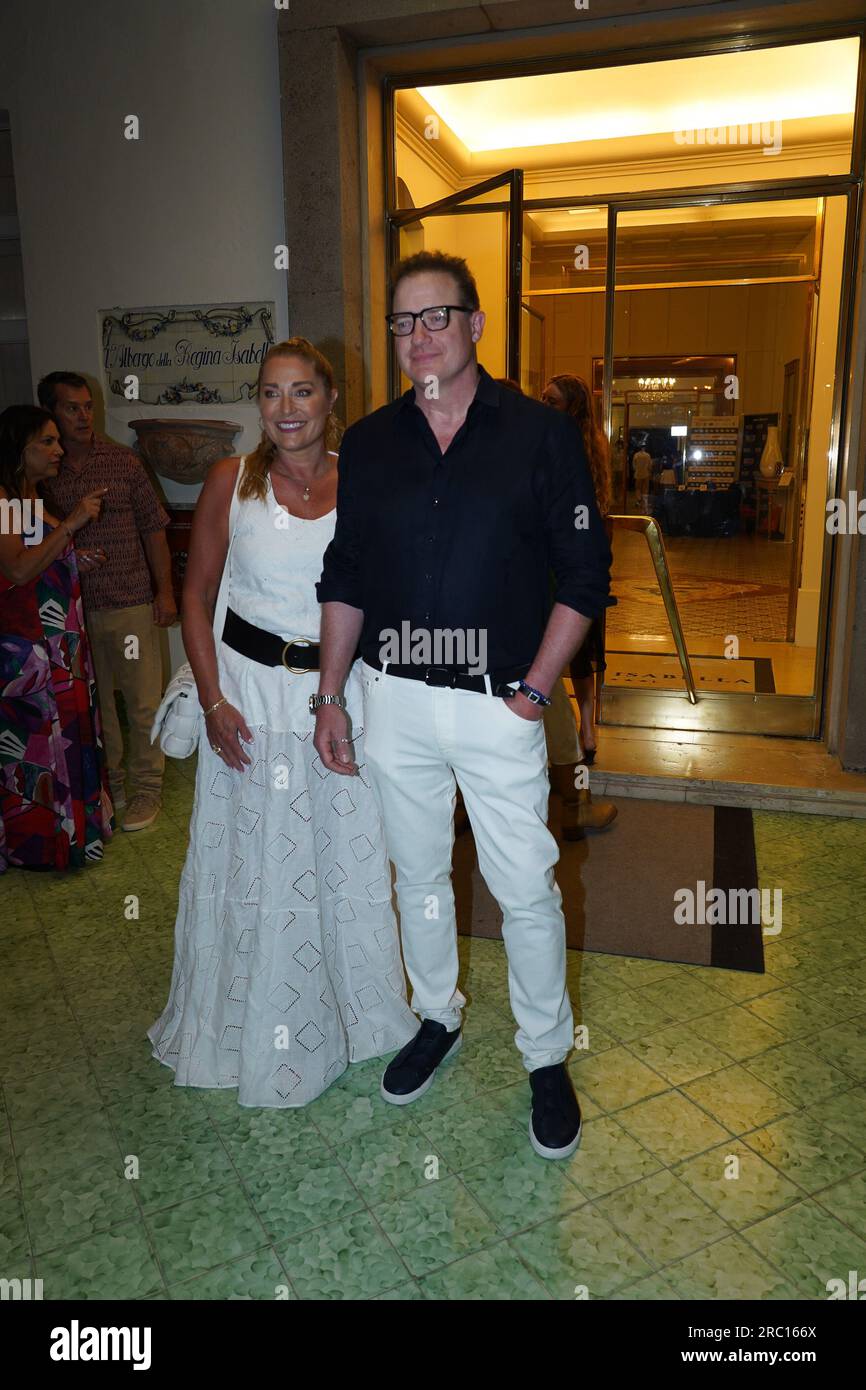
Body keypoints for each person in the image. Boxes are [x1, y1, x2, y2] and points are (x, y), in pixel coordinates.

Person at [315, 251, 613, 1159]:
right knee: (417, 878)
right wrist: (330, 695)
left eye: (435, 318)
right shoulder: (368, 444)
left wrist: (533, 690)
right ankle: (436, 1017)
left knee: (523, 885)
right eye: (402, 323)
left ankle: (545, 1057)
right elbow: (348, 573)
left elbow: (585, 574)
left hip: (498, 705)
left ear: (476, 324)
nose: (417, 338)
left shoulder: (539, 436)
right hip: (393, 697)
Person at [148, 337, 416, 1108]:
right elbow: (196, 595)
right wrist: (211, 700)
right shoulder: (231, 482)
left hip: (338, 700)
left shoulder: (365, 482)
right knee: (257, 866)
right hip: (249, 702)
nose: (287, 408)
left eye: (303, 392)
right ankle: (250, 1020)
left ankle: (350, 1015)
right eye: (271, 393)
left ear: (332, 401)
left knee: (344, 861)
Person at [38, 371, 176, 832]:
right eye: (71, 408)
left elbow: (154, 529)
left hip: (130, 602)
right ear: (51, 414)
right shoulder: (41, 475)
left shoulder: (123, 462)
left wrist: (165, 592)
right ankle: (110, 790)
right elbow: (27, 545)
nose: (83, 416)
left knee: (141, 703)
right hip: (72, 614)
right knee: (95, 708)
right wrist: (73, 552)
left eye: (87, 406)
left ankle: (146, 790)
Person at [0, 405, 113, 871]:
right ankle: (35, 845)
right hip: (26, 652)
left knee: (61, 741)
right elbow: (18, 568)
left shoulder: (26, 498)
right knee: (33, 750)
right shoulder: (3, 502)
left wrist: (72, 558)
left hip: (57, 648)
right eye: (46, 441)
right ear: (17, 448)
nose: (58, 449)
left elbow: (35, 562)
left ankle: (68, 837)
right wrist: (71, 525)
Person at [503, 376, 615, 839]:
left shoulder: (489, 459)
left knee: (532, 694)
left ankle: (470, 810)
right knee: (546, 696)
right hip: (535, 600)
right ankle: (575, 803)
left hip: (511, 602)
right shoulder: (542, 456)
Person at [541, 374, 612, 773]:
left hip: (576, 560)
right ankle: (572, 735)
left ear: (573, 407)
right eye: (543, 398)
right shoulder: (546, 441)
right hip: (552, 558)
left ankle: (587, 727)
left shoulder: (584, 448)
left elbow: (593, 512)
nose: (544, 405)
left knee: (582, 652)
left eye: (552, 401)